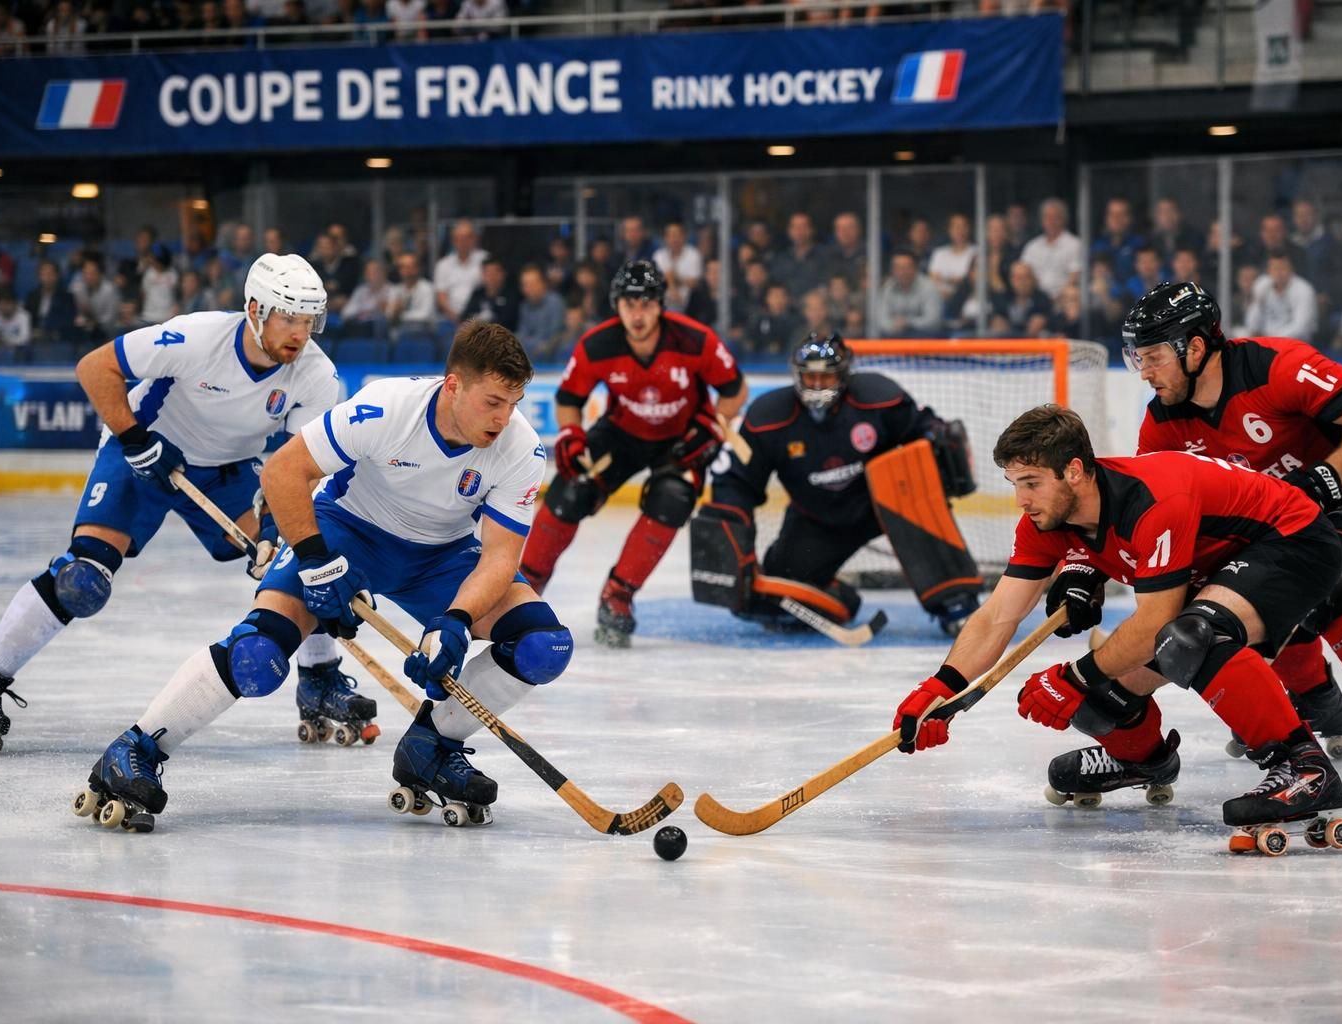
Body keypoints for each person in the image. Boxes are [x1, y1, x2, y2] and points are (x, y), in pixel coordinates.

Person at [73, 321, 566, 831]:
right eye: (493, 402)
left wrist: (457, 621)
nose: (505, 419)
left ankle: (433, 747)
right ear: (454, 385)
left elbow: (500, 556)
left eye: (514, 403)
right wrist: (315, 561)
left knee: (542, 645)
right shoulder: (388, 407)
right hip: (347, 533)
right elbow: (283, 471)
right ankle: (136, 747)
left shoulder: (521, 450)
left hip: (441, 558)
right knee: (256, 656)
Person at [891, 404, 1342, 839]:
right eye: (1014, 483)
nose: (1019, 500)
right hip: (1216, 568)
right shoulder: (1047, 521)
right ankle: (1144, 761)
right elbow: (998, 615)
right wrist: (941, 688)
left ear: (1073, 470)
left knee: (1185, 637)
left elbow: (1156, 623)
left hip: (1294, 543)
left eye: (1030, 482)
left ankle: (1304, 766)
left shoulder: (1152, 499)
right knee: (1099, 700)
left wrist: (1074, 674)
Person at [0, 255, 349, 756]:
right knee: (83, 580)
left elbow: (297, 468)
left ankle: (319, 680)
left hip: (228, 470)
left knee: (297, 554)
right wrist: (135, 438)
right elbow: (95, 367)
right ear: (255, 309)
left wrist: (274, 525)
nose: (300, 333)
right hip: (142, 455)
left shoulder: (316, 374)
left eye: (309, 320)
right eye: (288, 317)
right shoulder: (196, 337)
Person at [1121, 281, 1342, 795]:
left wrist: (1324, 479)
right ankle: (1313, 694)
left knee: (1325, 578)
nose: (1143, 372)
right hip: (1297, 518)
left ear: (1193, 346)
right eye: (1136, 359)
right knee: (1252, 589)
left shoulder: (1274, 365)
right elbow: (1163, 513)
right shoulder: (1162, 423)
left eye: (1151, 357)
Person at [519, 260, 747, 648]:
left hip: (680, 439)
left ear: (660, 305)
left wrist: (712, 426)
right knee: (570, 490)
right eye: (629, 304)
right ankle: (521, 590)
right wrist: (572, 434)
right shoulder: (597, 344)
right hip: (621, 434)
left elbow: (735, 390)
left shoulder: (695, 340)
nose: (637, 314)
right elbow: (568, 400)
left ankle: (618, 596)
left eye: (645, 304)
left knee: (673, 500)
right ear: (617, 306)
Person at [695, 333, 981, 636]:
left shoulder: (878, 397)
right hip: (816, 518)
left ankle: (956, 602)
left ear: (843, 375)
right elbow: (736, 481)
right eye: (810, 376)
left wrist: (939, 442)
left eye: (826, 376)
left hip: (885, 504)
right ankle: (838, 598)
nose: (817, 385)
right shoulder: (768, 417)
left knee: (917, 498)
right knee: (774, 597)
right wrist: (734, 539)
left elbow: (922, 430)